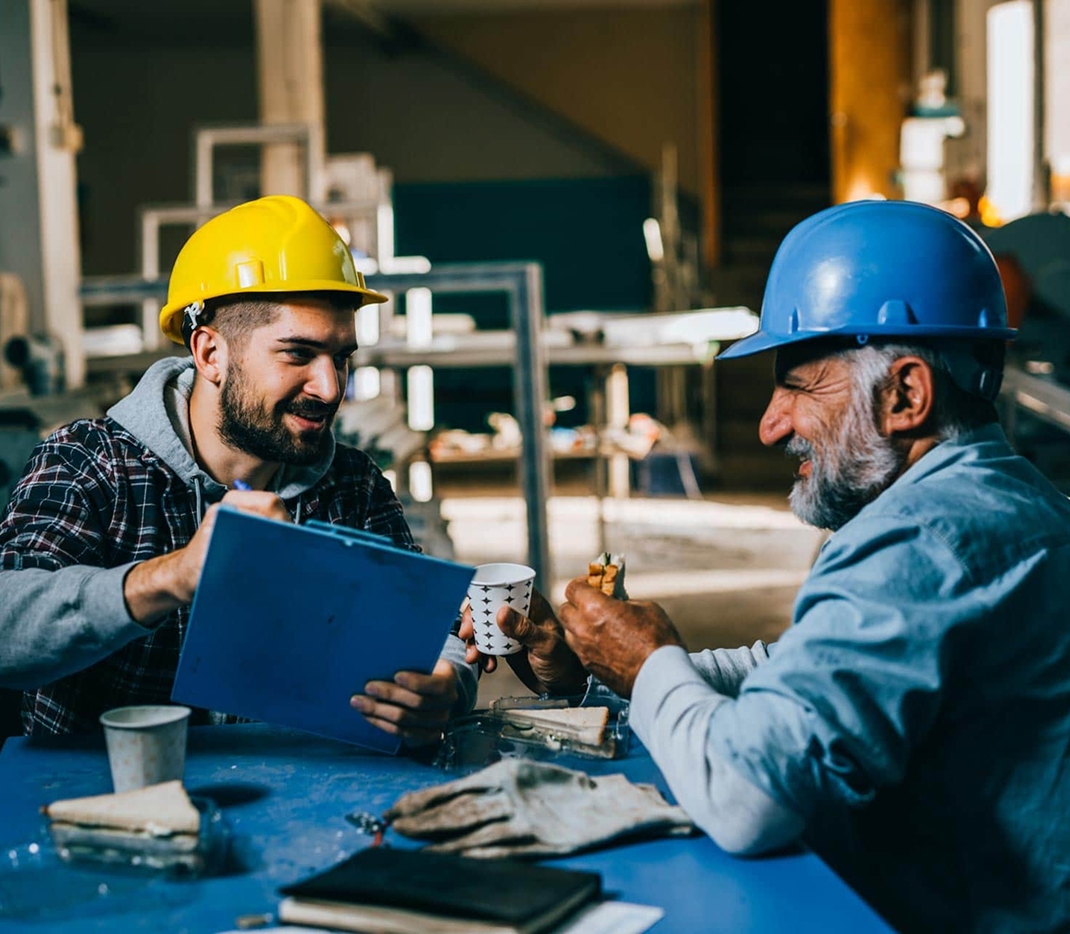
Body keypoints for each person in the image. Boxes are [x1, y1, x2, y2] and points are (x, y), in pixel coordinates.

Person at [463, 201, 1070, 932]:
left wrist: (650, 664)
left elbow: (748, 800)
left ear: (906, 393)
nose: (770, 423)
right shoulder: (1004, 496)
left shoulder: (926, 541)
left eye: (798, 386)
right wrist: (602, 669)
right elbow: (808, 669)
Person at [0, 195, 476, 745]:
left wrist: (447, 685)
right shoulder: (90, 464)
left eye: (341, 357)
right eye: (298, 354)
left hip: (291, 806)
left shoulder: (352, 486)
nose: (330, 387)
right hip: (97, 806)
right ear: (209, 354)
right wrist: (176, 576)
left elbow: (429, 632)